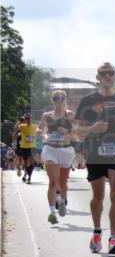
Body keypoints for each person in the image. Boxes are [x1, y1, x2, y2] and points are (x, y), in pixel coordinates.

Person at [75, 62, 115, 255]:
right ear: (98, 77)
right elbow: (76, 129)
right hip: (95, 151)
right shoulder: (88, 100)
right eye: (104, 73)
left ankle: (113, 238)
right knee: (98, 195)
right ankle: (97, 231)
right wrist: (90, 129)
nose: (108, 76)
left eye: (111, 73)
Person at [38, 90, 75, 224]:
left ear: (65, 99)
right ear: (52, 100)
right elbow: (39, 129)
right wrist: (43, 135)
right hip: (50, 149)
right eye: (56, 98)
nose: (59, 100)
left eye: (61, 97)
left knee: (63, 183)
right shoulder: (46, 116)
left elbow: (78, 131)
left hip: (65, 150)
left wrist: (68, 131)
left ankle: (62, 201)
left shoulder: (69, 114)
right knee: (53, 181)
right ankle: (52, 213)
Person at [14, 113, 39, 183]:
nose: (28, 119)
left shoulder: (34, 126)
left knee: (31, 162)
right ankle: (23, 172)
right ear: (25, 119)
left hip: (32, 147)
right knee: (25, 163)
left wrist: (40, 132)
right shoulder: (22, 126)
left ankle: (29, 177)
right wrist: (19, 122)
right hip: (24, 147)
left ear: (31, 119)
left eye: (29, 118)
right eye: (26, 118)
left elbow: (38, 130)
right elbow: (15, 130)